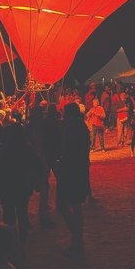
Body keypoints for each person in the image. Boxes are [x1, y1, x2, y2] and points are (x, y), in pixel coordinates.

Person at [0, 122, 43, 268]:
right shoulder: (26, 147)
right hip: (22, 186)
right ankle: (21, 246)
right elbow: (38, 165)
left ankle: (11, 245)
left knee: (8, 216)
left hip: (7, 186)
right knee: (22, 214)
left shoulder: (2, 148)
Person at [55, 102, 90, 260]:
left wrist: (60, 163)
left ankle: (77, 237)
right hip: (80, 169)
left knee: (63, 205)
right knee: (76, 205)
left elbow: (70, 151)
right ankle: (77, 238)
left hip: (72, 170)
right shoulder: (82, 126)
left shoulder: (72, 128)